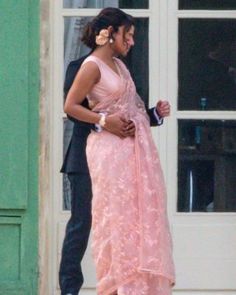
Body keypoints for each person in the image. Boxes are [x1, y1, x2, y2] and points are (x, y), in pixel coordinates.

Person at [63, 7, 175, 295]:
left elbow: (130, 109)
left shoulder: (121, 67)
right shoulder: (88, 66)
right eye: (129, 35)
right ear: (111, 33)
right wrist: (103, 121)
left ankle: (133, 285)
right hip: (100, 155)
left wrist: (154, 114)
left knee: (130, 219)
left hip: (127, 155)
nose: (132, 42)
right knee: (96, 223)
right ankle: (89, 288)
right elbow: (72, 107)